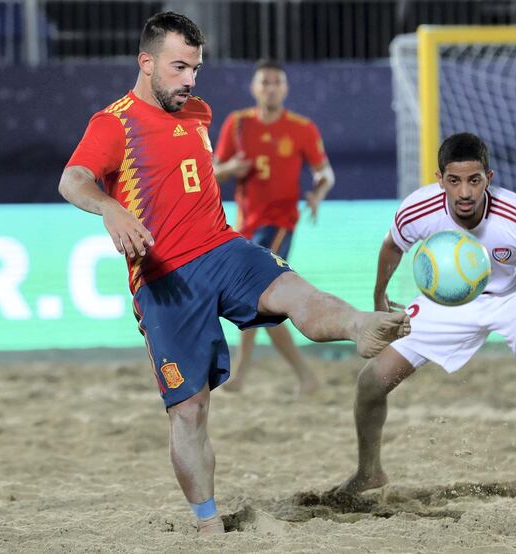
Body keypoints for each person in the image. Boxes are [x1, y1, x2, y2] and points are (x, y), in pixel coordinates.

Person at [57, 12, 409, 534]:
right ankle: (207, 524)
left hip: (224, 246)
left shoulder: (198, 112)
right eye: (179, 67)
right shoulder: (114, 123)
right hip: (165, 281)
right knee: (190, 412)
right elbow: (73, 179)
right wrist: (110, 208)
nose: (190, 80)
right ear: (146, 62)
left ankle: (361, 325)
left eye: (195, 68)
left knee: (296, 294)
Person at [335, 132, 516, 500]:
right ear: (439, 180)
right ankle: (369, 472)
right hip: (450, 299)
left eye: (474, 180)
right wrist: (379, 295)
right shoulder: (417, 209)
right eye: (454, 181)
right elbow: (393, 245)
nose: (465, 192)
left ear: (489, 178)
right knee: (370, 381)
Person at [213, 59, 333, 395]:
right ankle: (252, 374)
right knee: (252, 300)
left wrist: (318, 193)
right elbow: (212, 171)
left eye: (276, 82)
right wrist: (232, 167)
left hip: (279, 224)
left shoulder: (301, 127)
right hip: (245, 226)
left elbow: (325, 173)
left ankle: (295, 375)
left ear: (285, 88)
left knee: (257, 297)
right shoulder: (237, 124)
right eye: (264, 82)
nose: (270, 88)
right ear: (254, 87)